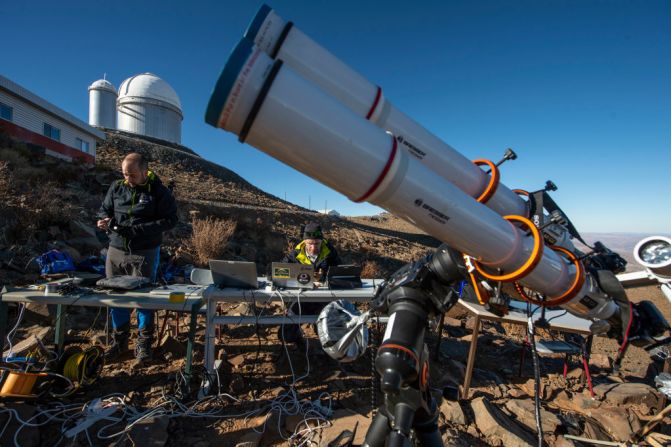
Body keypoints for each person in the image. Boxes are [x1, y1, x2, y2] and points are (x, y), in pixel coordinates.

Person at [96, 153, 178, 364]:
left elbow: (170, 220)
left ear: (144, 172)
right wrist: (103, 221)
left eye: (132, 175)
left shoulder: (158, 191)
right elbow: (104, 209)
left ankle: (143, 344)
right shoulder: (116, 187)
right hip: (115, 249)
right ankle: (119, 341)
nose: (128, 179)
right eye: (125, 174)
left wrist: (136, 230)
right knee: (116, 295)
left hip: (145, 251)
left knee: (144, 297)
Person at [281, 222, 340, 344]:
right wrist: (302, 280)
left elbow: (340, 271)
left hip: (325, 299)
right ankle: (297, 335)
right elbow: (279, 272)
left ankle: (325, 344)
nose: (313, 248)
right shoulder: (295, 254)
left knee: (329, 335)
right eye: (310, 244)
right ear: (304, 242)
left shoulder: (330, 252)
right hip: (301, 298)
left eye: (317, 243)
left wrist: (324, 276)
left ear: (322, 241)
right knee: (286, 335)